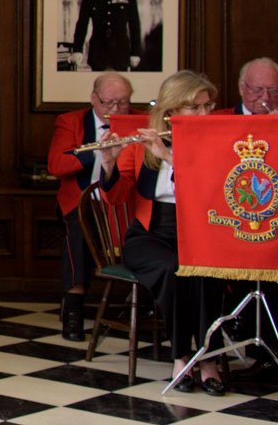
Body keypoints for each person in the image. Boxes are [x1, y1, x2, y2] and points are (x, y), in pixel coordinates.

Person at [112, 71, 230, 394]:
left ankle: (207, 359)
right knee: (172, 270)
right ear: (171, 110)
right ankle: (181, 357)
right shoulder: (143, 144)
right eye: (196, 107)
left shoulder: (215, 142)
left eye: (208, 106)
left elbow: (211, 190)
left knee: (204, 272)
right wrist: (108, 165)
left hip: (199, 231)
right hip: (150, 234)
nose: (205, 113)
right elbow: (117, 195)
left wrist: (168, 156)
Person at [45, 72, 132, 341]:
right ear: (94, 98)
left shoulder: (138, 121)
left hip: (124, 202)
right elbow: (56, 165)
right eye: (108, 102)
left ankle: (148, 303)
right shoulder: (71, 121)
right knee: (78, 235)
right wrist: (96, 150)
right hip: (82, 201)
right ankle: (73, 307)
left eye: (122, 102)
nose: (115, 109)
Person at [70, 0, 142, 72]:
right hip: (98, 52)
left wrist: (135, 52)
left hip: (120, 52)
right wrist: (77, 50)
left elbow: (135, 25)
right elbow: (82, 24)